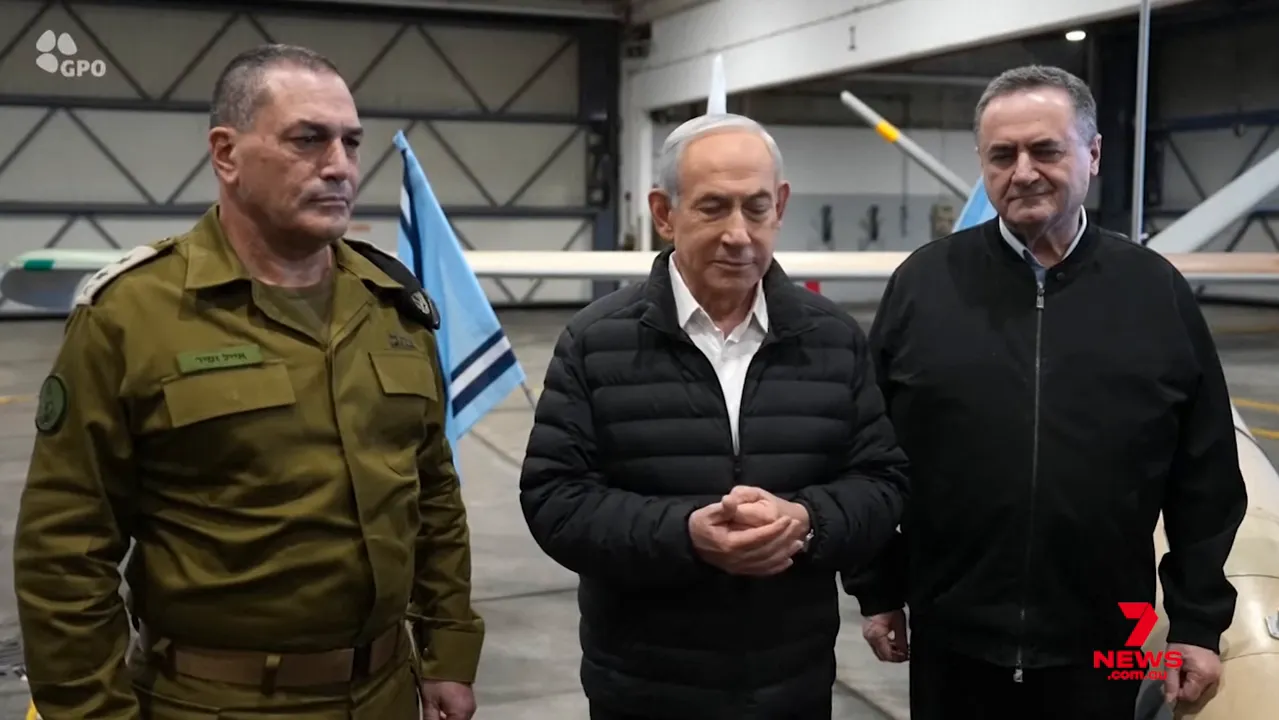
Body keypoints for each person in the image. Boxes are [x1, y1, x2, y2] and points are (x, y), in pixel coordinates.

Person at [13, 43, 484, 720]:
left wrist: (447, 654)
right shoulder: (133, 316)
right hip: (215, 702)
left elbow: (433, 495)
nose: (340, 167)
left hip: (385, 693)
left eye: (352, 143)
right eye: (308, 140)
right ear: (226, 154)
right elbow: (65, 549)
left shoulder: (392, 307)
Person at [844, 64, 1248, 719]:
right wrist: (879, 589)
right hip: (953, 642)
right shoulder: (923, 287)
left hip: (1103, 644)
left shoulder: (1155, 293)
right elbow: (868, 454)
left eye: (1046, 149)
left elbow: (1204, 477)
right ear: (982, 162)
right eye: (1002, 155)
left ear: (1091, 154)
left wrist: (1198, 624)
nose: (1023, 171)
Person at [518, 112, 911, 720]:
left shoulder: (833, 339)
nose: (739, 234)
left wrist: (806, 521)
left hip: (792, 688)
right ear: (663, 212)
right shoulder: (596, 342)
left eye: (756, 208)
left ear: (780, 205)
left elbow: (882, 483)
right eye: (712, 208)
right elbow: (555, 499)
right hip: (644, 689)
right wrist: (685, 535)